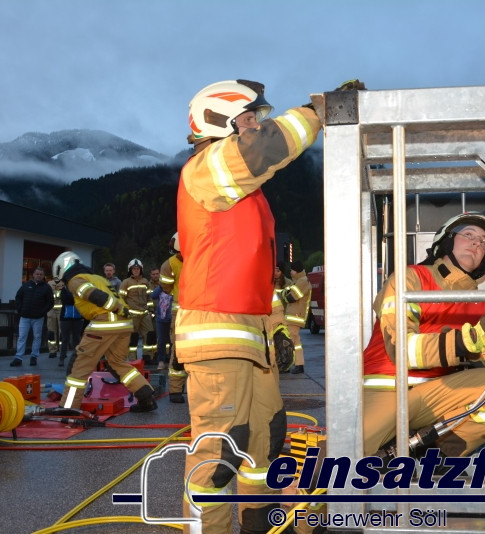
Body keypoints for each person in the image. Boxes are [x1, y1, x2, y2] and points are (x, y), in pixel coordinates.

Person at [175, 79, 321, 533]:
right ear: (222, 119)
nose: (256, 125)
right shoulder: (206, 168)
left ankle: (256, 526)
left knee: (264, 442)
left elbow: (252, 273)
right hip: (218, 333)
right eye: (250, 117)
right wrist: (318, 112)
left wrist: (277, 329)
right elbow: (263, 150)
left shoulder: (243, 190)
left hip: (250, 335)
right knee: (218, 456)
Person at [361, 211, 485, 459]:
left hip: (434, 394)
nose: (476, 243)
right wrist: (472, 338)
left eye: (483, 242)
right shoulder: (410, 279)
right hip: (386, 391)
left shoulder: (476, 303)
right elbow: (401, 350)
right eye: (468, 235)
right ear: (447, 241)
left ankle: (440, 456)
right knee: (339, 461)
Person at [52, 251, 157, 412]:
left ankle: (68, 407)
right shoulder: (98, 278)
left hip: (105, 323)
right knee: (118, 364)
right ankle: (146, 397)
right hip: (124, 324)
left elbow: (94, 295)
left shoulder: (75, 280)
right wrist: (121, 310)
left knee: (79, 366)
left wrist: (116, 308)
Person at [158, 232, 187, 402]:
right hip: (184, 311)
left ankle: (180, 390)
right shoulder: (169, 264)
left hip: (189, 311)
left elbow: (167, 287)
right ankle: (175, 390)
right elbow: (165, 287)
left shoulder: (168, 264)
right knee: (178, 351)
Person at [11, 267, 54, 367]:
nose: (38, 276)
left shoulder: (46, 288)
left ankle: (34, 357)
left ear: (43, 276)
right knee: (22, 337)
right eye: (37, 274)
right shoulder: (25, 285)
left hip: (38, 318)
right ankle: (18, 358)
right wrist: (20, 309)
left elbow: (50, 302)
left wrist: (42, 312)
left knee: (37, 337)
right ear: (33, 275)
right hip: (25, 316)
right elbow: (18, 297)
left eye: (41, 274)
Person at [119, 258, 155, 361]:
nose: (136, 270)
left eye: (138, 268)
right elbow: (121, 299)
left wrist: (151, 310)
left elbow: (149, 297)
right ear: (130, 270)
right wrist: (126, 312)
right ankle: (132, 358)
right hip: (132, 315)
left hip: (144, 313)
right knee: (132, 337)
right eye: (134, 269)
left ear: (141, 269)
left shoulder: (145, 282)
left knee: (149, 335)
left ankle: (147, 356)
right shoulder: (126, 282)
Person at [283, 260, 311, 374]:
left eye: (292, 269)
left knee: (293, 341)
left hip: (295, 316)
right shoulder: (299, 281)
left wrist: (284, 294)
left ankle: (295, 365)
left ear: (296, 270)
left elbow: (292, 297)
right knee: (294, 341)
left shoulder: (302, 281)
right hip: (294, 315)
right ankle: (297, 364)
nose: (290, 272)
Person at [270, 265, 295, 373]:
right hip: (277, 315)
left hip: (283, 314)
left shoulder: (288, 282)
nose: (276, 272)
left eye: (278, 270)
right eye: (274, 270)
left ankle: (286, 362)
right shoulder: (270, 283)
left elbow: (292, 297)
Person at [58, 285, 84, 369]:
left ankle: (76, 359)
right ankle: (62, 358)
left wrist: (74, 298)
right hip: (65, 317)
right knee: (65, 338)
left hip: (78, 317)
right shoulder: (64, 289)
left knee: (76, 339)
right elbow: (65, 301)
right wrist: (75, 297)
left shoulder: (79, 288)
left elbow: (82, 300)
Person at [46, 276, 64, 358]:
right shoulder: (49, 284)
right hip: (51, 310)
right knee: (51, 332)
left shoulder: (64, 283)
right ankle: (52, 350)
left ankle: (62, 350)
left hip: (62, 311)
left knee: (62, 332)